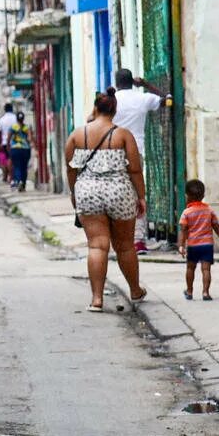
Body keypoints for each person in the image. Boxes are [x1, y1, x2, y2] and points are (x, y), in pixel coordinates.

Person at [66, 88, 147, 312]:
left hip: (87, 192)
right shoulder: (122, 135)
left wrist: (75, 194)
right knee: (125, 246)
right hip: (119, 191)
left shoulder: (77, 135)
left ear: (95, 107)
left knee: (97, 245)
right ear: (115, 109)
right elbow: (135, 170)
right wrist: (141, 196)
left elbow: (71, 170)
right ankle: (135, 290)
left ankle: (97, 299)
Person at [112, 67, 171, 255]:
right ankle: (138, 241)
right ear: (132, 82)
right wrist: (146, 84)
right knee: (138, 196)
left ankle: (119, 238)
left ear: (116, 82)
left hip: (113, 152)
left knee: (116, 194)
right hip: (136, 151)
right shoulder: (142, 98)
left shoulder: (112, 101)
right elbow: (168, 100)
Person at [179, 178, 219, 301]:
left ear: (187, 196)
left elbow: (183, 230)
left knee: (190, 268)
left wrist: (181, 246)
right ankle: (205, 292)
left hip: (193, 245)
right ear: (203, 195)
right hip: (207, 245)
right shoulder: (209, 211)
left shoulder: (186, 213)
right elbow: (217, 228)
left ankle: (189, 291)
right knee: (206, 269)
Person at [8, 111, 33, 191]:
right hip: (25, 149)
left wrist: (9, 148)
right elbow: (29, 138)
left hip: (15, 149)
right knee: (24, 167)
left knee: (17, 166)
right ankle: (23, 182)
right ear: (23, 118)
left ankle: (18, 181)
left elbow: (8, 138)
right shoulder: (26, 127)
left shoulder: (13, 127)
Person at [0, 102, 18, 183]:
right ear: (12, 109)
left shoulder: (2, 119)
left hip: (5, 143)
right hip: (16, 142)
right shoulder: (15, 118)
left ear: (5, 110)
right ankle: (13, 176)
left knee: (7, 159)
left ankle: (10, 177)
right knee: (14, 160)